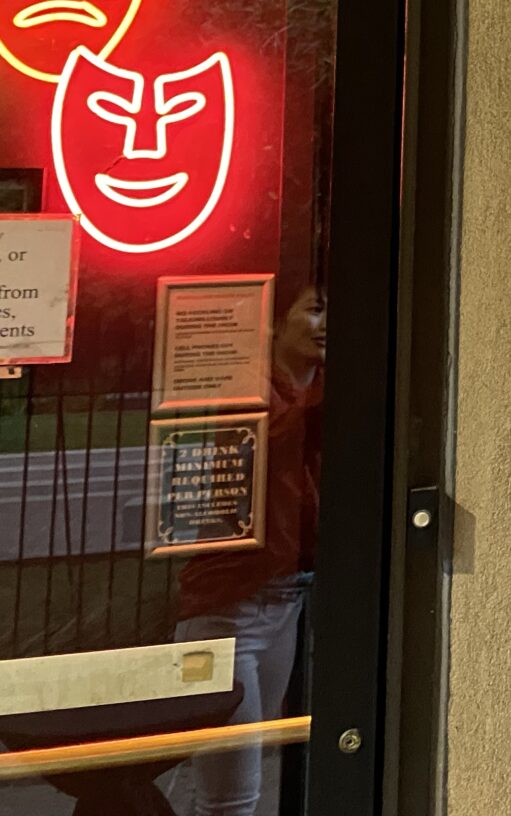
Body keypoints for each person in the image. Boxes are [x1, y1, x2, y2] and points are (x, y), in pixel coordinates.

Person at [170, 283, 325, 816]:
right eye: (316, 309)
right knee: (230, 798)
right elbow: (273, 438)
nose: (328, 324)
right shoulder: (247, 389)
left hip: (286, 601)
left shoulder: (314, 395)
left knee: (247, 779)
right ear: (275, 324)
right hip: (228, 613)